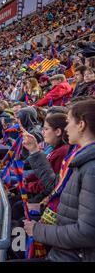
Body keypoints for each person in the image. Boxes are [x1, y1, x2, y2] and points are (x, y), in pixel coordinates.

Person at [23, 99, 95, 261]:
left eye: (69, 122)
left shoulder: (90, 168)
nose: (66, 128)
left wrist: (37, 230)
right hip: (63, 247)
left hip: (70, 254)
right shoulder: (78, 156)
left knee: (15, 234)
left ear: (81, 125)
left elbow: (86, 232)